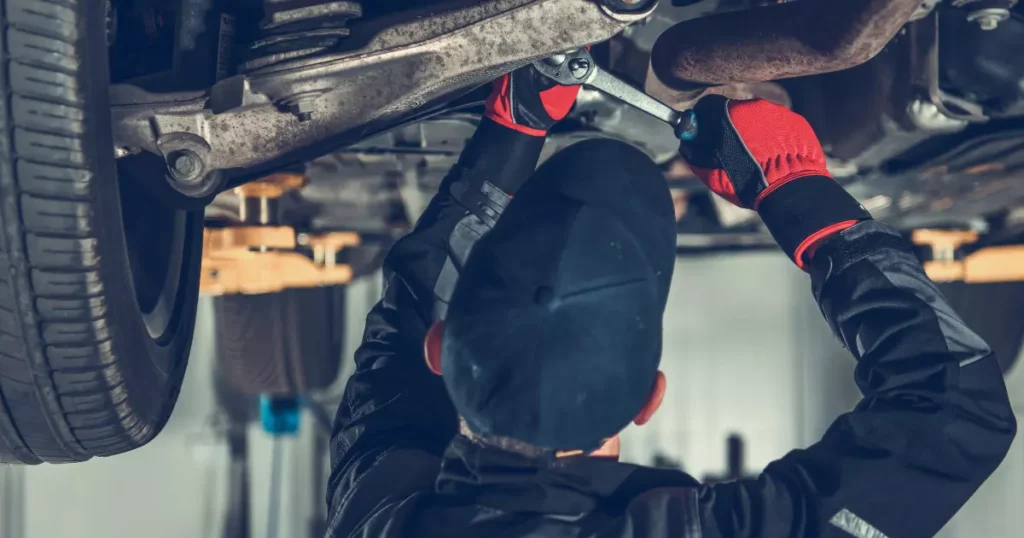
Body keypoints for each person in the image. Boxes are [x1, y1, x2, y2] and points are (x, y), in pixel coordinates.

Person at [325, 65, 1017, 538]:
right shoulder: (377, 510)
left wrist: (802, 198)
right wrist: (512, 128)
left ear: (652, 397)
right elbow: (415, 305)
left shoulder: (382, 499)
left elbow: (958, 414)